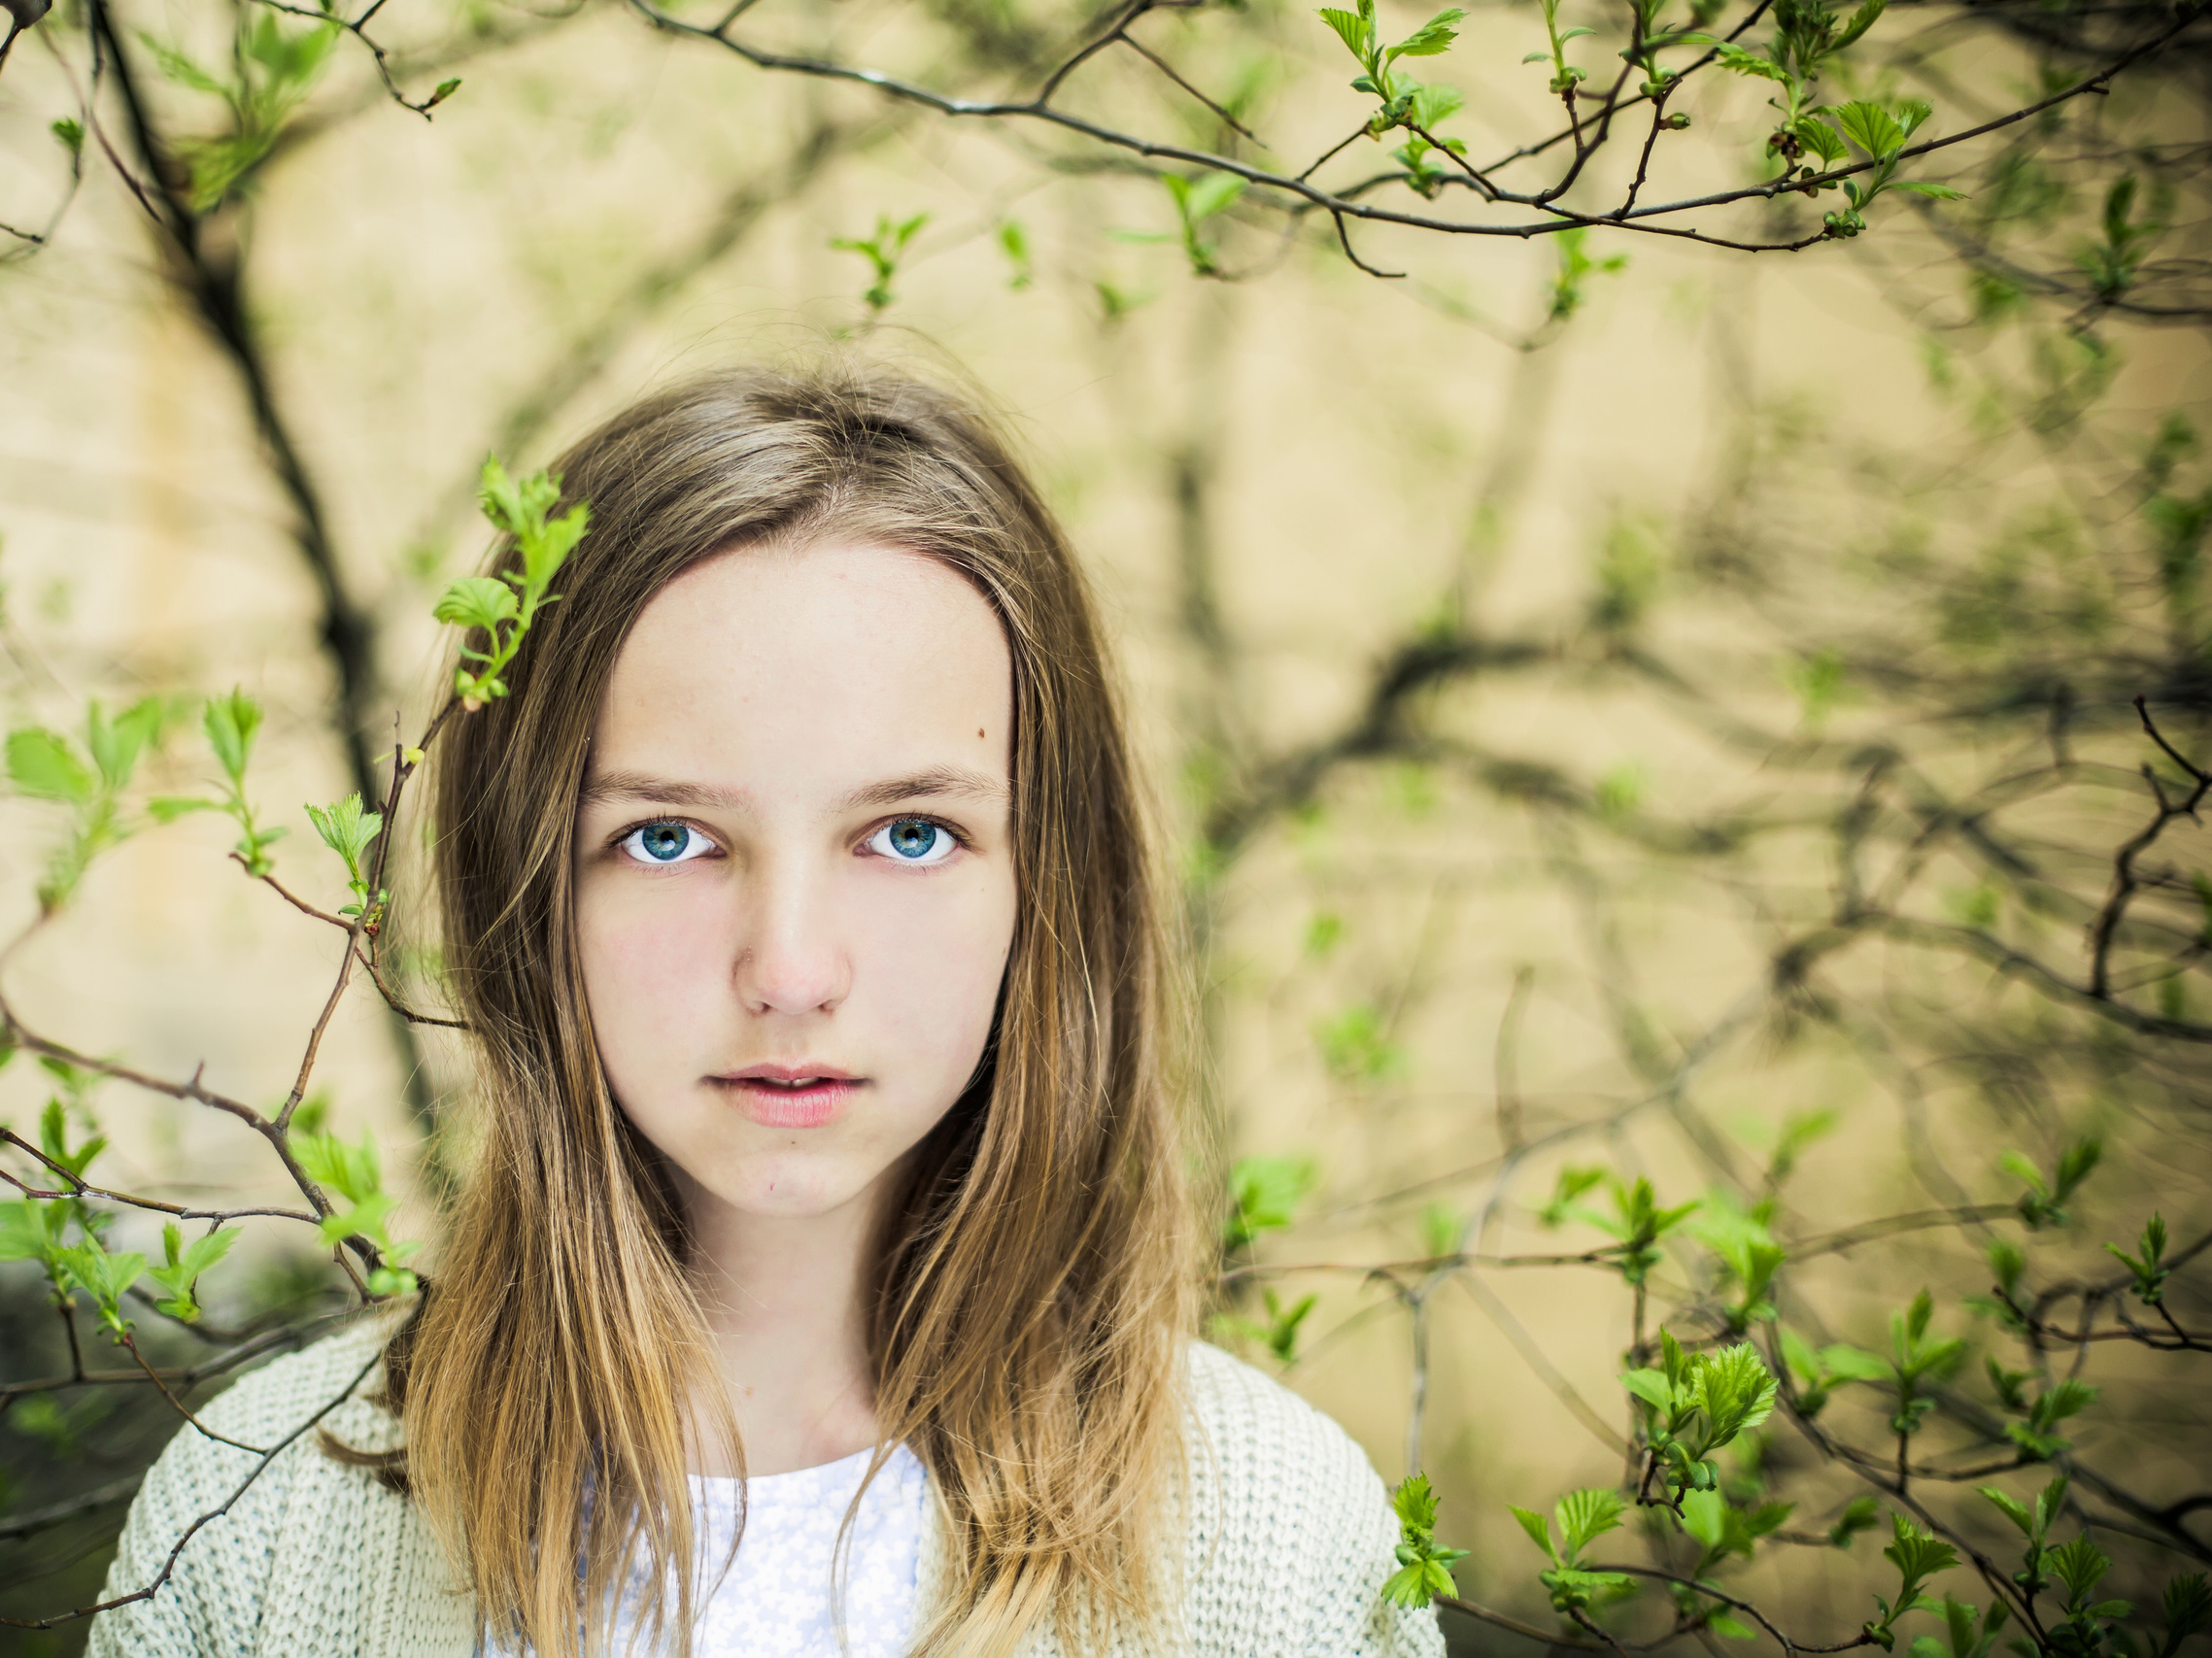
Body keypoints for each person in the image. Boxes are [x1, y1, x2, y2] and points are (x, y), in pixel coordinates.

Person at [83, 362, 1446, 1658]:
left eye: (909, 834)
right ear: (527, 891)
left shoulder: (1280, 1543)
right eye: (669, 838)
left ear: (1051, 889)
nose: (790, 971)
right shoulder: (260, 1519)